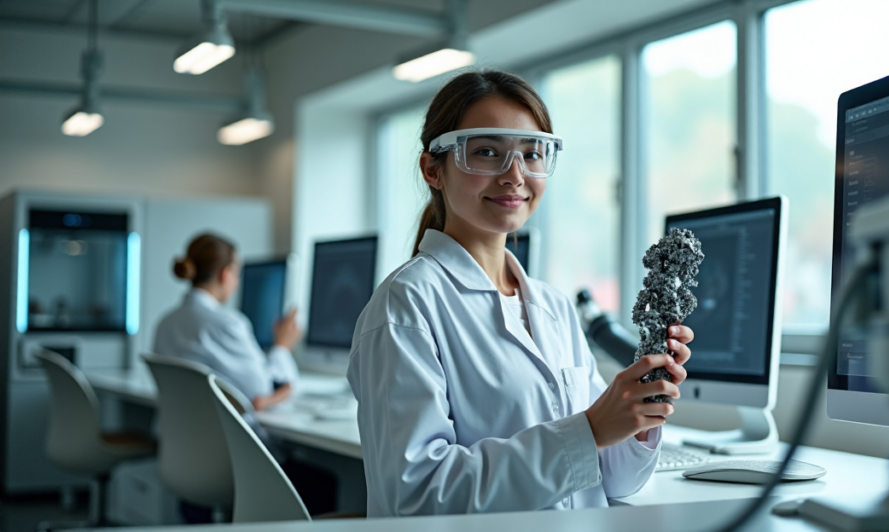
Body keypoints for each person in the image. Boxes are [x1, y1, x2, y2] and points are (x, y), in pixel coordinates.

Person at [347, 70, 694, 517]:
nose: (515, 175)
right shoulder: (407, 305)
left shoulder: (553, 308)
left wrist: (639, 415)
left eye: (532, 154)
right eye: (488, 153)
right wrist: (587, 431)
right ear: (433, 169)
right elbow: (416, 498)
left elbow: (615, 479)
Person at [154, 233, 300, 410]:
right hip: (223, 438)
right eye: (237, 275)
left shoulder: (165, 323)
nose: (237, 284)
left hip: (178, 437)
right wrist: (282, 348)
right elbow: (261, 392)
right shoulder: (227, 324)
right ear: (225, 274)